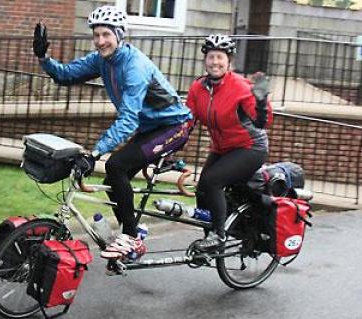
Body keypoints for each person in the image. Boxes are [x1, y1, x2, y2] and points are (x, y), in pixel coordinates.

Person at [33, 6, 192, 260]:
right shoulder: (103, 60)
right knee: (112, 179)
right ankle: (135, 234)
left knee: (116, 165)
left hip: (173, 127)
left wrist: (95, 153)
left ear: (119, 35)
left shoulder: (135, 67)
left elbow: (128, 119)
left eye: (106, 34)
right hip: (150, 128)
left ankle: (129, 238)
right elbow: (66, 75)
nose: (99, 41)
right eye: (96, 35)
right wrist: (43, 58)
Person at [185, 34, 273, 251]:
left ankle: (219, 236)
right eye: (211, 57)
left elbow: (263, 122)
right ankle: (210, 239)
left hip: (250, 147)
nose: (215, 62)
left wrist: (262, 101)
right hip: (222, 148)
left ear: (229, 61)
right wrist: (167, 145)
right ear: (205, 60)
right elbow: (186, 121)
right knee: (202, 188)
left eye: (220, 57)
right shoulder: (198, 88)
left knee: (213, 181)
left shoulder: (241, 87)